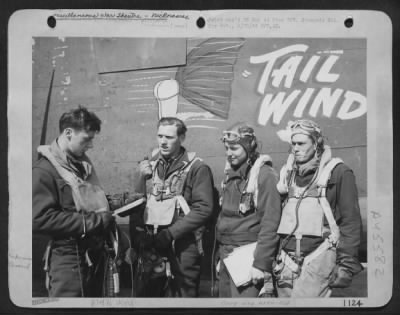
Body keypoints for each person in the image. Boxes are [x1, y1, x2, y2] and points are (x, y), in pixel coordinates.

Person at [274, 119, 363, 297]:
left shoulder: (338, 172)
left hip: (319, 257)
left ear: (316, 143)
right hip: (285, 260)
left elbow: (351, 222)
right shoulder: (288, 174)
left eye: (301, 143)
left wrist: (346, 264)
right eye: (293, 144)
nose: (295, 148)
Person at [33, 106, 115, 297]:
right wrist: (95, 221)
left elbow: (84, 201)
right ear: (68, 133)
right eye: (87, 139)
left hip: (94, 253)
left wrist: (116, 203)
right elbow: (40, 218)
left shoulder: (80, 166)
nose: (91, 145)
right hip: (68, 257)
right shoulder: (44, 171)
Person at [129, 117, 215, 297]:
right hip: (152, 245)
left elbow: (203, 209)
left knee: (182, 298)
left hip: (183, 246)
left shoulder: (198, 168)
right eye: (160, 136)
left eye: (169, 137)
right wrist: (138, 237)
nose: (163, 141)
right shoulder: (149, 167)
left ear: (182, 138)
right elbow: (136, 203)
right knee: (148, 298)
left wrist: (170, 234)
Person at [215, 122, 282, 297]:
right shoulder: (231, 175)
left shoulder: (265, 175)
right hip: (226, 256)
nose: (229, 154)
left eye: (234, 148)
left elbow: (271, 222)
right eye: (227, 148)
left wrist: (261, 263)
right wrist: (220, 257)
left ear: (248, 147)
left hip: (248, 259)